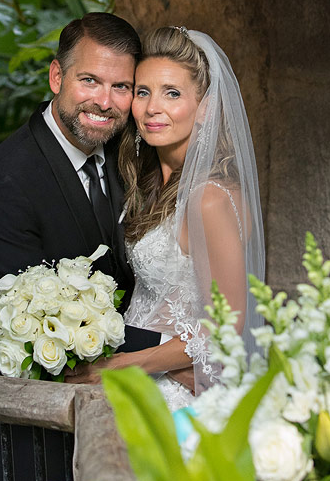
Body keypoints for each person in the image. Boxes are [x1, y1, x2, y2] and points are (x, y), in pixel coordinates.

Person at [0, 12, 162, 481]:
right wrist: (182, 351)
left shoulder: (125, 157)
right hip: (26, 449)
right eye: (89, 80)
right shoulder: (3, 182)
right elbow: (29, 330)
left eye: (121, 87)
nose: (104, 102)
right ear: (57, 76)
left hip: (109, 430)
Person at [66, 26, 265, 410]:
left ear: (205, 107)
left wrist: (123, 365)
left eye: (172, 93)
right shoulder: (148, 183)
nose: (152, 107)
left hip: (174, 394)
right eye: (143, 92)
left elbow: (224, 330)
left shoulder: (209, 199)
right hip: (142, 380)